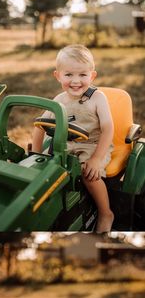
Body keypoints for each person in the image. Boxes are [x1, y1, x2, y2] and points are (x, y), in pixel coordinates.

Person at [32, 44, 115, 232]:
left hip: (93, 146)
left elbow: (108, 129)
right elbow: (40, 126)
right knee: (47, 170)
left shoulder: (97, 98)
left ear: (92, 76)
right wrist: (36, 154)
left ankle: (105, 212)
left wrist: (96, 159)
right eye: (68, 75)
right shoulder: (59, 100)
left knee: (89, 174)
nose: (76, 81)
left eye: (82, 75)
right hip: (66, 145)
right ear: (58, 75)